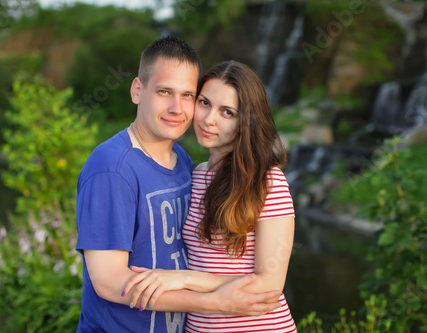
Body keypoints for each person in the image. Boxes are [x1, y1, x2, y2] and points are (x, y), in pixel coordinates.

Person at [75, 37, 283, 333]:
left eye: (187, 95)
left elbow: (250, 275)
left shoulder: (186, 164)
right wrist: (215, 303)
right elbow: (108, 282)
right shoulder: (112, 168)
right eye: (164, 92)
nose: (176, 108)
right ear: (137, 90)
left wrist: (188, 282)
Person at [123, 60, 297, 332]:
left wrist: (181, 279)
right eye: (204, 103)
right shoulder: (195, 175)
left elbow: (269, 285)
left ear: (246, 121)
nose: (209, 119)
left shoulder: (267, 181)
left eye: (227, 112)